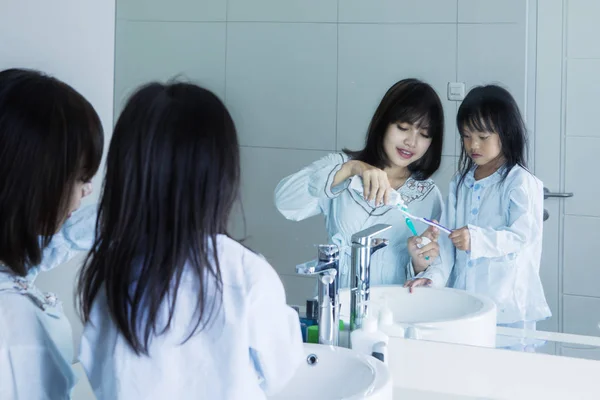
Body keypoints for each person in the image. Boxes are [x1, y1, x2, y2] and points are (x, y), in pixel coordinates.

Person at [77, 81, 303, 399]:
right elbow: (282, 369)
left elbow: (97, 370)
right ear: (219, 174)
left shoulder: (113, 272)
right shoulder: (246, 273)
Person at [275, 78, 449, 288]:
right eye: (403, 127)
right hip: (337, 304)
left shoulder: (428, 195)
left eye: (424, 134)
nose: (411, 142)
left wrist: (420, 263)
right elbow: (285, 201)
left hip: (390, 310)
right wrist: (352, 169)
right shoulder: (341, 166)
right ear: (384, 123)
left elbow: (435, 270)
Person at [0, 68, 103, 398]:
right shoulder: (17, 328)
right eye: (79, 177)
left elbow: (56, 243)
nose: (87, 190)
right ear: (35, 179)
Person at [426, 84, 551, 330]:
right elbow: (444, 241)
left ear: (506, 133)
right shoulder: (460, 183)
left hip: (508, 305)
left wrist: (477, 239)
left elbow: (522, 237)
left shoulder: (520, 182)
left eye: (483, 137)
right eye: (466, 135)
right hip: (464, 300)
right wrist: (431, 279)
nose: (473, 145)